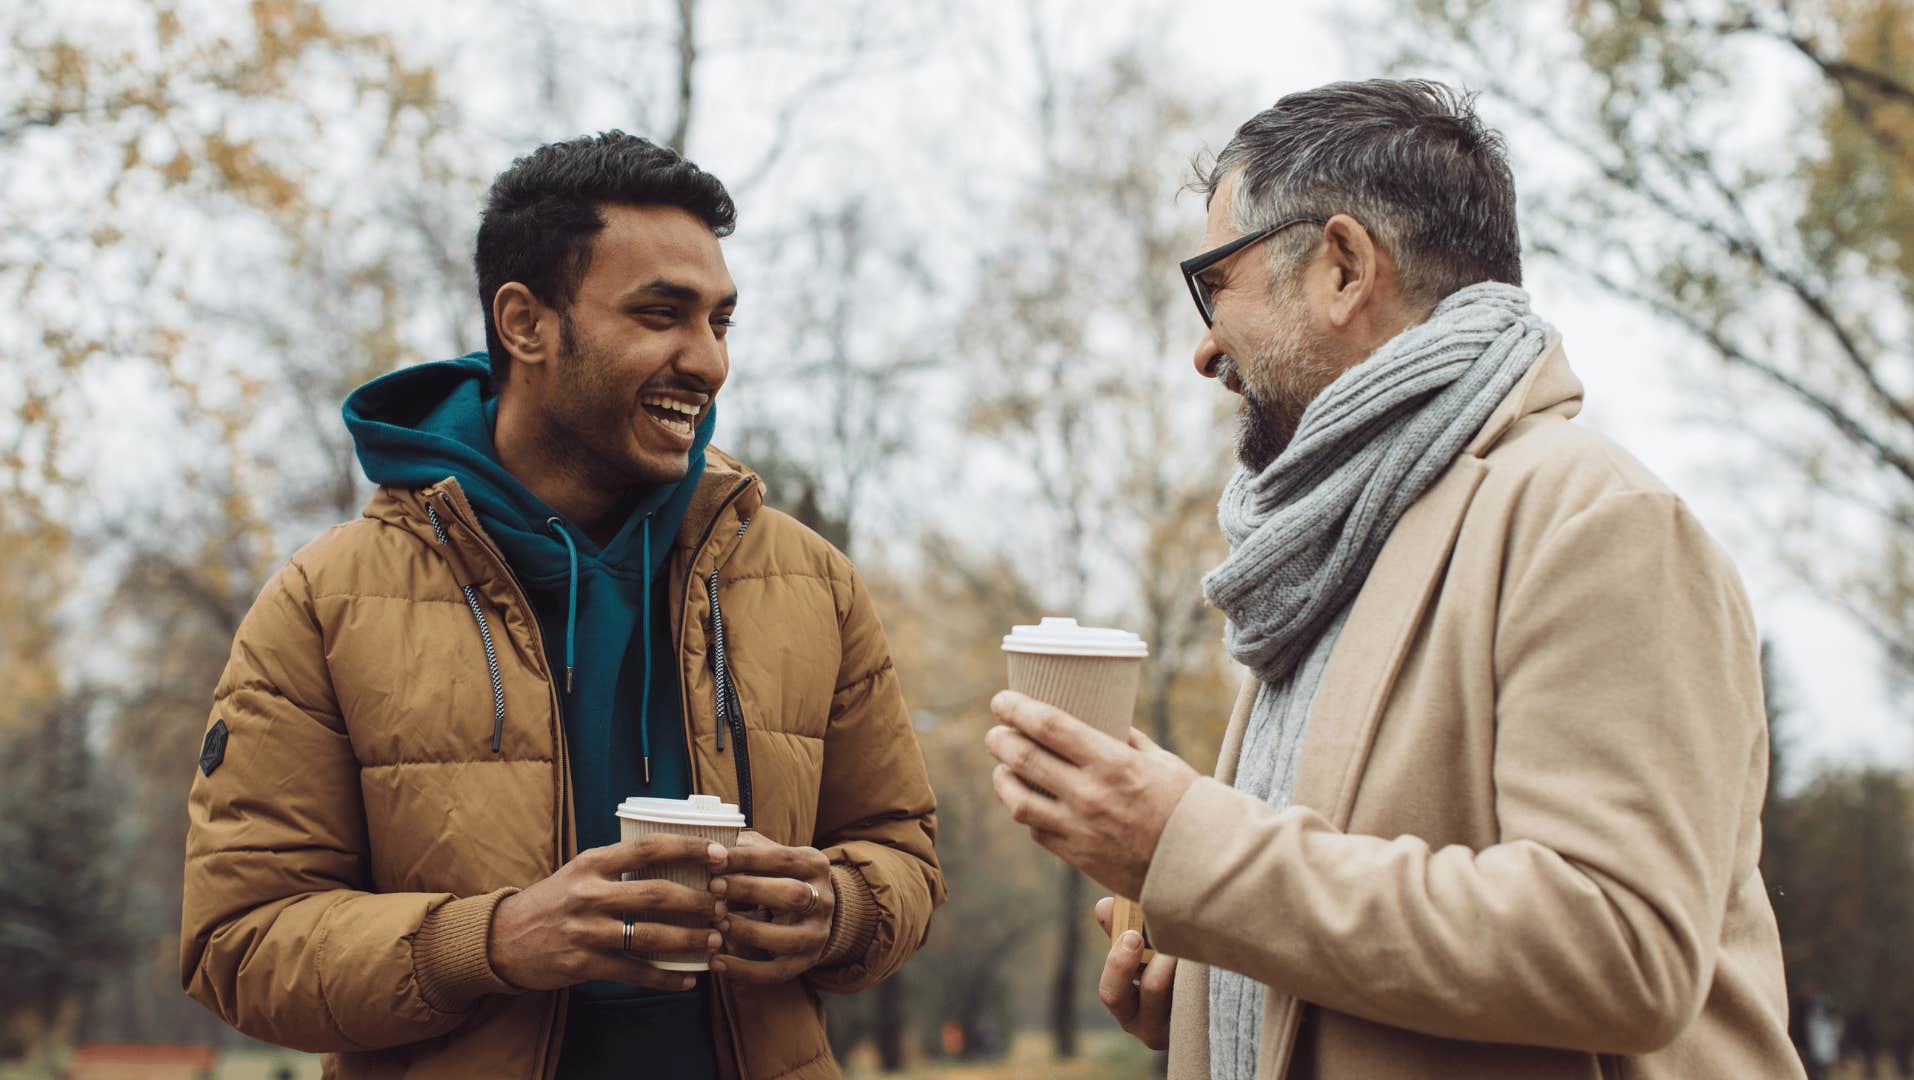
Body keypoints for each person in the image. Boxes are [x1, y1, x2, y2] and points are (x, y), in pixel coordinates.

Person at [982, 80, 1802, 1078]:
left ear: (1340, 266)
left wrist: (1184, 845)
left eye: (1214, 283)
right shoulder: (1336, 549)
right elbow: (1357, 927)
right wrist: (1208, 972)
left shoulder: (1597, 521)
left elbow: (1620, 946)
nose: (1203, 348)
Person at [181, 131, 943, 1080]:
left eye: (721, 321)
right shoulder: (324, 602)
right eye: (661, 314)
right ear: (524, 324)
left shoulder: (812, 584)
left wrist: (842, 909)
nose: (707, 363)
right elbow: (238, 943)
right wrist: (493, 941)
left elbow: (901, 853)